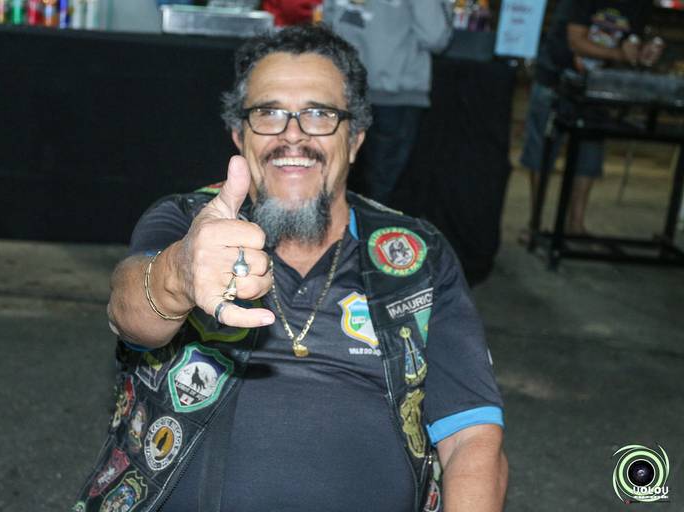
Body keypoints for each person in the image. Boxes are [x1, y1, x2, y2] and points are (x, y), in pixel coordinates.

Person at [73, 25, 506, 512]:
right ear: (239, 135)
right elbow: (130, 313)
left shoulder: (415, 255)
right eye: (269, 113)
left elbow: (472, 439)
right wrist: (177, 274)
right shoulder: (187, 222)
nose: (293, 134)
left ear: (355, 139)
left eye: (319, 114)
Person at [519, 0, 662, 240]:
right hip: (555, 76)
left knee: (589, 156)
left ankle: (576, 225)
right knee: (541, 154)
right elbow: (576, 40)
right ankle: (534, 224)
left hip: (597, 85)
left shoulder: (640, 4)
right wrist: (620, 54)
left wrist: (643, 52)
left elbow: (632, 41)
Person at [323, 0, 452, 205]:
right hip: (394, 93)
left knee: (336, 180)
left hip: (343, 88)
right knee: (383, 192)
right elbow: (435, 36)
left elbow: (327, 23)